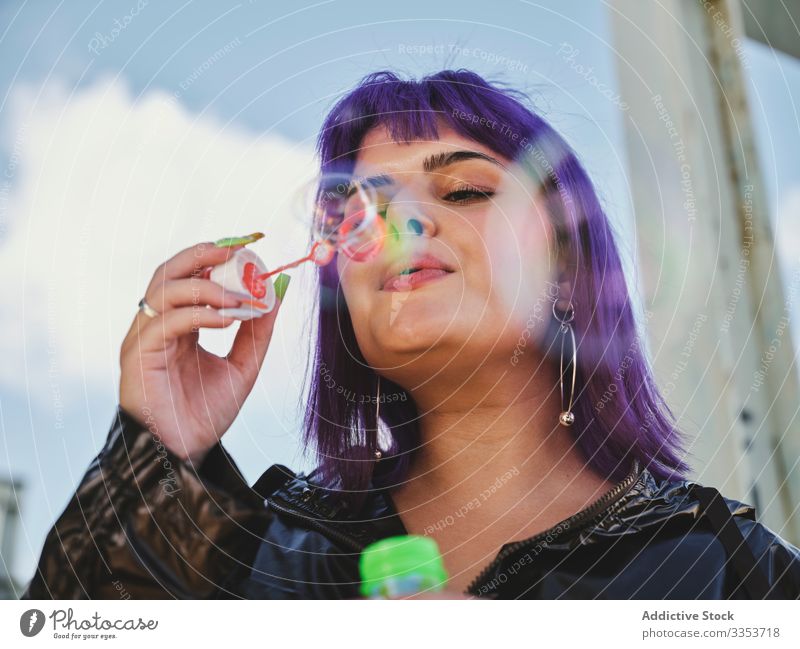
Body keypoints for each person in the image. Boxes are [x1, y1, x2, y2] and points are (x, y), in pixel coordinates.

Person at [23, 69, 800, 599]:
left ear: (567, 272)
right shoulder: (252, 545)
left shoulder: (723, 567)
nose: (402, 227)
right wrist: (153, 445)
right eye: (364, 211)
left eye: (463, 188)